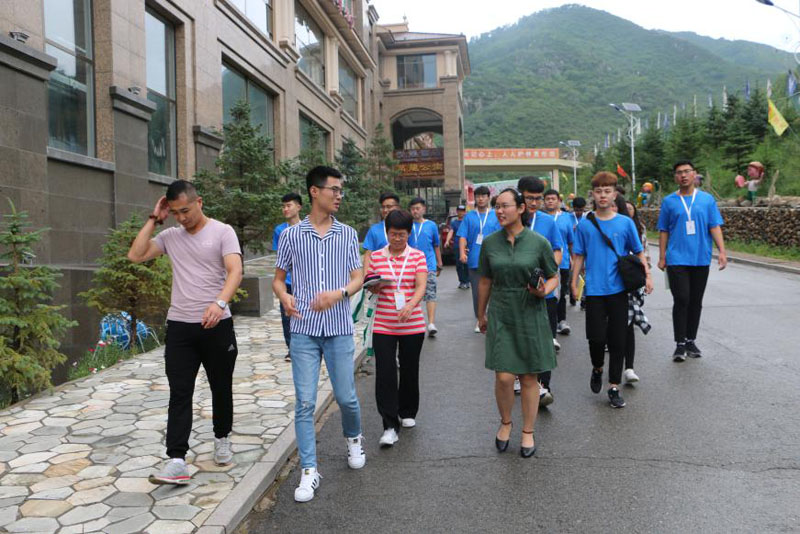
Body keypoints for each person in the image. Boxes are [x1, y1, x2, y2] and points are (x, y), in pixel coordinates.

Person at [127, 180, 243, 485]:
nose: (181, 218)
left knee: (220, 387)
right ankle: (176, 459)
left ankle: (222, 437)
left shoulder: (222, 232)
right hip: (180, 327)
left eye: (186, 211)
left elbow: (235, 271)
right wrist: (154, 219)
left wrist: (220, 303)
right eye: (176, 213)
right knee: (180, 392)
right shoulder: (170, 237)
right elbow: (136, 255)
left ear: (199, 202)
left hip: (217, 326)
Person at [273, 166, 365, 503]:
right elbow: (278, 280)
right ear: (315, 191)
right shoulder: (291, 236)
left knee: (346, 398)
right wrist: (284, 297)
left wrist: (338, 294)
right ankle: (309, 470)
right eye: (334, 190)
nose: (339, 195)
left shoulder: (347, 234)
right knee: (305, 402)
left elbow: (358, 278)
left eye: (341, 190)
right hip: (304, 331)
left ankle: (353, 438)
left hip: (338, 328)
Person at [477, 188, 559, 458]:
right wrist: (481, 314)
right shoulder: (490, 243)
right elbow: (485, 280)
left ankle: (528, 431)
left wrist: (544, 291)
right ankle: (505, 422)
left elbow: (553, 276)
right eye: (497, 206)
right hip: (501, 311)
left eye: (505, 206)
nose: (499, 211)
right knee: (503, 376)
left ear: (521, 208)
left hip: (530, 312)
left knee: (529, 376)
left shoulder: (539, 242)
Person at [571, 172, 653, 409]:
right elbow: (579, 256)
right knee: (596, 338)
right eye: (598, 191)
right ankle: (597, 368)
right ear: (593, 195)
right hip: (595, 290)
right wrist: (573, 283)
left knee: (618, 339)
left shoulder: (625, 223)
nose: (603, 195)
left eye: (607, 191)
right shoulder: (585, 225)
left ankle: (614, 386)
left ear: (615, 194)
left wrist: (647, 276)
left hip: (619, 290)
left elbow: (638, 252)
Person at [365, 209, 428, 448]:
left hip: (412, 324)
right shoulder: (377, 257)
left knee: (410, 369)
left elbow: (421, 285)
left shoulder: (418, 256)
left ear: (409, 233)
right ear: (387, 232)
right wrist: (373, 286)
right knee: (386, 373)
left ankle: (408, 410)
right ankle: (389, 425)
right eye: (393, 234)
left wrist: (410, 305)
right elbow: (370, 282)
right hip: (384, 324)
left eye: (402, 234)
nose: (397, 239)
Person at [658, 160, 727, 362]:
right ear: (675, 177)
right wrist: (662, 256)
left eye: (687, 171)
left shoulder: (706, 200)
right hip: (676, 258)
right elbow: (663, 230)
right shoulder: (669, 201)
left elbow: (714, 226)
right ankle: (679, 343)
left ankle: (691, 340)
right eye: (679, 172)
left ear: (694, 174)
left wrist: (722, 251)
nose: (683, 175)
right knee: (682, 299)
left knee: (696, 301)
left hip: (700, 257)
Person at [517, 178, 563, 407]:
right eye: (529, 198)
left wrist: (547, 273)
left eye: (538, 198)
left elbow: (557, 251)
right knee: (520, 338)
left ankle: (544, 386)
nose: (534, 203)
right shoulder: (509, 221)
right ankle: (521, 377)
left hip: (544, 292)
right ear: (520, 197)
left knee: (544, 340)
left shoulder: (548, 222)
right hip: (517, 293)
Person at [457, 186, 501, 333]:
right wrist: (462, 253)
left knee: (495, 291)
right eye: (478, 196)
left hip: (494, 259)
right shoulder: (469, 217)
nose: (480, 199)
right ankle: (480, 318)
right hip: (475, 259)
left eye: (483, 196)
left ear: (488, 197)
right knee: (477, 292)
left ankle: (494, 319)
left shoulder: (496, 215)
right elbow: (462, 236)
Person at [272, 192, 303, 362]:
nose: (285, 209)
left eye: (288, 205)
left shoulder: (307, 227)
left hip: (303, 281)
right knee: (286, 315)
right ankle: (291, 349)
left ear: (298, 207)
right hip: (287, 281)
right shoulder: (280, 230)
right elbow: (280, 257)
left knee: (303, 313)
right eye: (283, 206)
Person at [408, 197, 443, 337]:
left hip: (428, 264)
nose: (415, 211)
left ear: (424, 209)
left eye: (417, 208)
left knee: (430, 293)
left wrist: (439, 263)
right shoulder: (407, 224)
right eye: (412, 209)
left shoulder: (431, 225)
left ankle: (431, 323)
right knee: (411, 294)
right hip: (410, 265)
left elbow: (436, 245)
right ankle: (412, 321)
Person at [543, 189, 575, 337]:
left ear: (559, 201)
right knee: (546, 293)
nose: (550, 201)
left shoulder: (567, 218)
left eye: (553, 199)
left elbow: (571, 242)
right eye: (547, 199)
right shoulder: (540, 218)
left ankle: (562, 321)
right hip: (543, 262)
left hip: (562, 262)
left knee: (561, 293)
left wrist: (574, 259)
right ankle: (548, 322)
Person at [363, 192, 401, 272]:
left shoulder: (405, 227)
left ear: (398, 207)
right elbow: (368, 255)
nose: (385, 210)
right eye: (383, 207)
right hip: (380, 274)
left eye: (389, 207)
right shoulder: (374, 230)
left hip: (403, 273)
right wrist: (366, 276)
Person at [445, 205, 470, 289]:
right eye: (459, 210)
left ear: (465, 212)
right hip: (457, 246)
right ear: (457, 211)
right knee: (459, 264)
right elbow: (451, 232)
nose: (461, 212)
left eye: (462, 211)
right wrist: (447, 241)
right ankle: (462, 281)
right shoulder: (454, 223)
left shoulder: (467, 221)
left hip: (467, 245)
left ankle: (467, 281)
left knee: (466, 264)